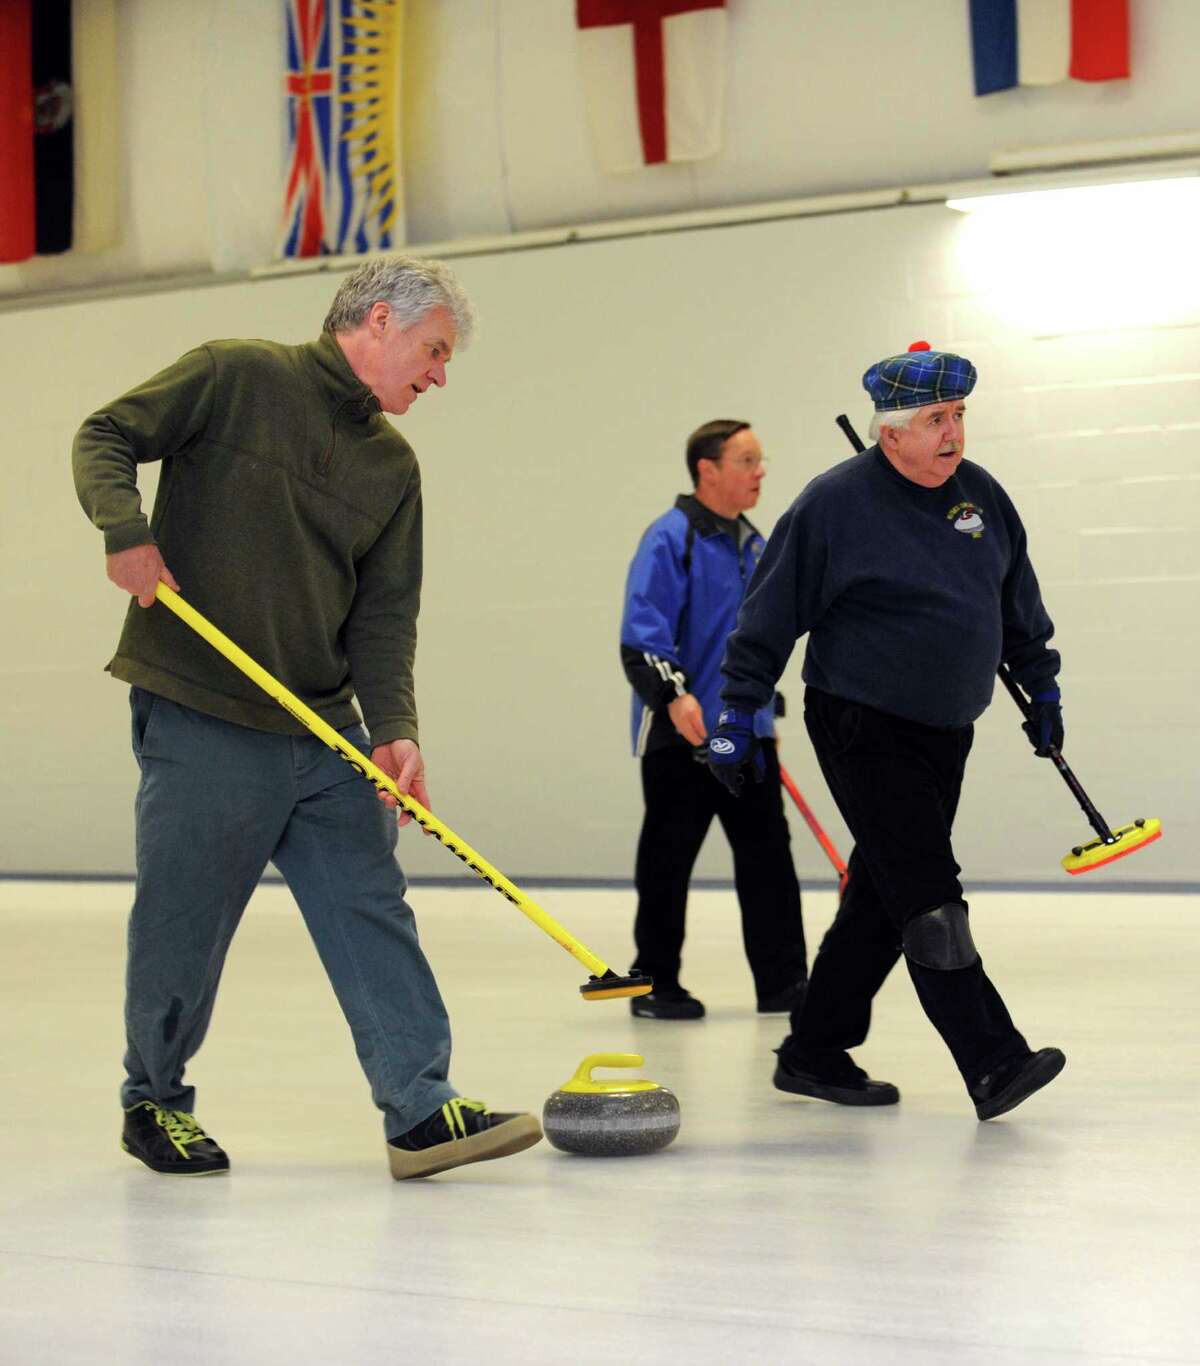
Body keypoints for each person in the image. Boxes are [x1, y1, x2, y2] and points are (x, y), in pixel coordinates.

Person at [72, 254, 542, 1179]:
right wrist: (124, 530)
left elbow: (382, 611)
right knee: (186, 920)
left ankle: (421, 1107)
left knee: (372, 907)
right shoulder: (235, 376)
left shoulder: (391, 465)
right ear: (375, 321)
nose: (441, 373)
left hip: (326, 732)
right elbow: (104, 435)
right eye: (435, 349)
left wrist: (396, 726)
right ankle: (154, 1101)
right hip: (207, 709)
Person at [706, 344, 1066, 1120]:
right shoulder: (834, 504)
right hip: (861, 720)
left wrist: (1042, 686)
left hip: (948, 728)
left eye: (959, 416)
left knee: (884, 891)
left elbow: (1016, 602)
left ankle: (813, 1050)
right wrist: (737, 712)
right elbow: (768, 616)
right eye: (935, 419)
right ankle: (993, 1060)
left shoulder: (981, 499)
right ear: (890, 432)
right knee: (931, 898)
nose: (953, 434)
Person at [619, 420, 807, 1020]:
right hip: (682, 735)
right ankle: (654, 982)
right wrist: (674, 696)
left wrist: (762, 710)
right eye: (748, 460)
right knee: (668, 860)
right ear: (708, 469)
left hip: (744, 734)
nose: (760, 471)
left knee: (768, 858)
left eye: (760, 459)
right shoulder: (670, 538)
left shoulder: (754, 543)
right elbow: (642, 636)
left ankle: (785, 985)